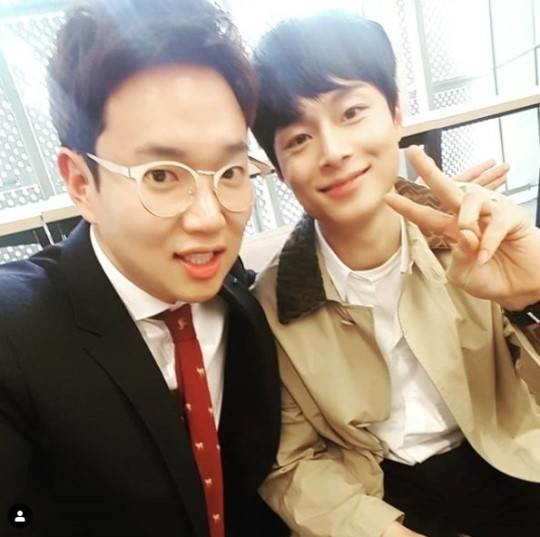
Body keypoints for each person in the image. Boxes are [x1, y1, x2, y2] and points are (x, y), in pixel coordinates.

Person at [0, 1, 289, 536]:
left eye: (230, 171)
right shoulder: (13, 334)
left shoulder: (244, 305)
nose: (209, 218)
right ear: (81, 183)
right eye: (161, 175)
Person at [251, 11, 540, 537]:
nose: (334, 151)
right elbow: (293, 465)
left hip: (513, 457)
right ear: (278, 168)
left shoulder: (475, 238)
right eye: (298, 138)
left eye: (352, 112)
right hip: (379, 497)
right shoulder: (271, 307)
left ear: (397, 113)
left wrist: (532, 296)